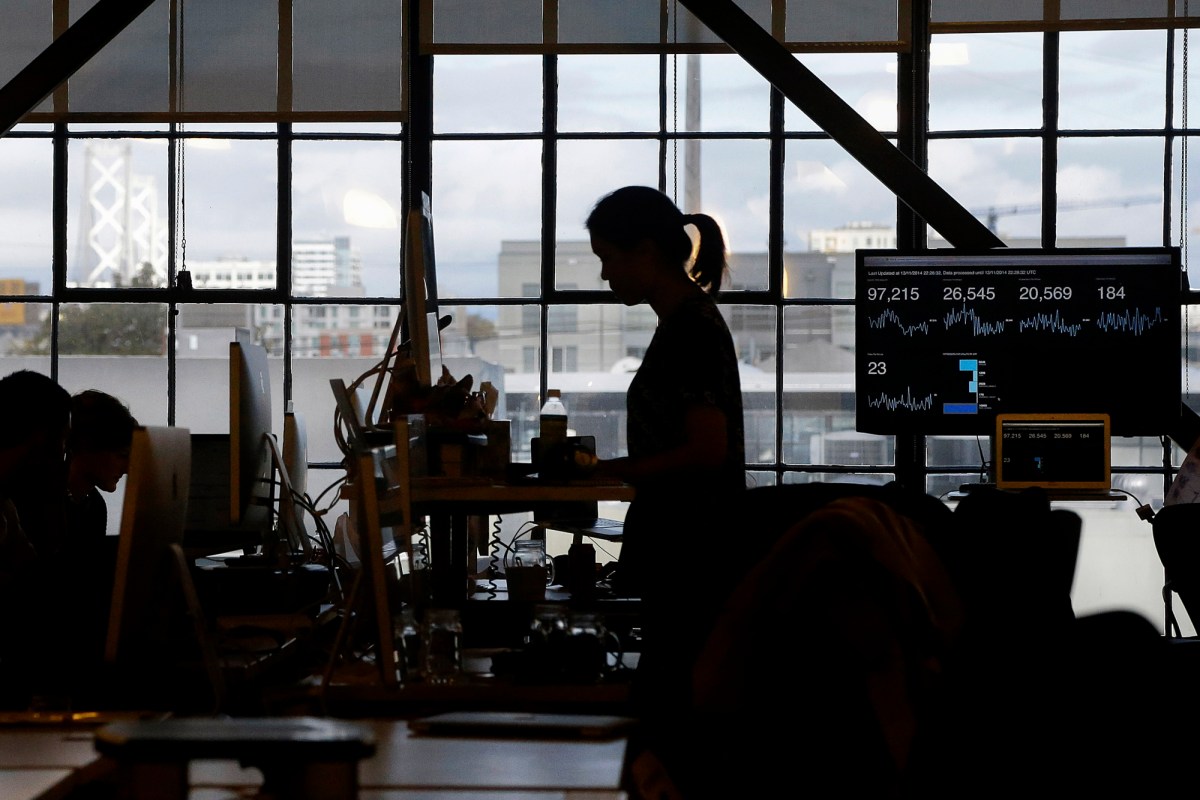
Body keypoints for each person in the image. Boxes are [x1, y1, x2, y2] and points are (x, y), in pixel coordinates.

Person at [585, 186, 745, 796]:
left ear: (644, 251)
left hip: (692, 550)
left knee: (671, 708)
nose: (604, 276)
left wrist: (612, 472)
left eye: (607, 260)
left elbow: (706, 452)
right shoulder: (687, 322)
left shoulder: (689, 331)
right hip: (690, 547)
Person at [0, 370, 71, 707]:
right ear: (42, 436)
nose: (64, 453)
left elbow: (36, 580)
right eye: (63, 440)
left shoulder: (6, 505)